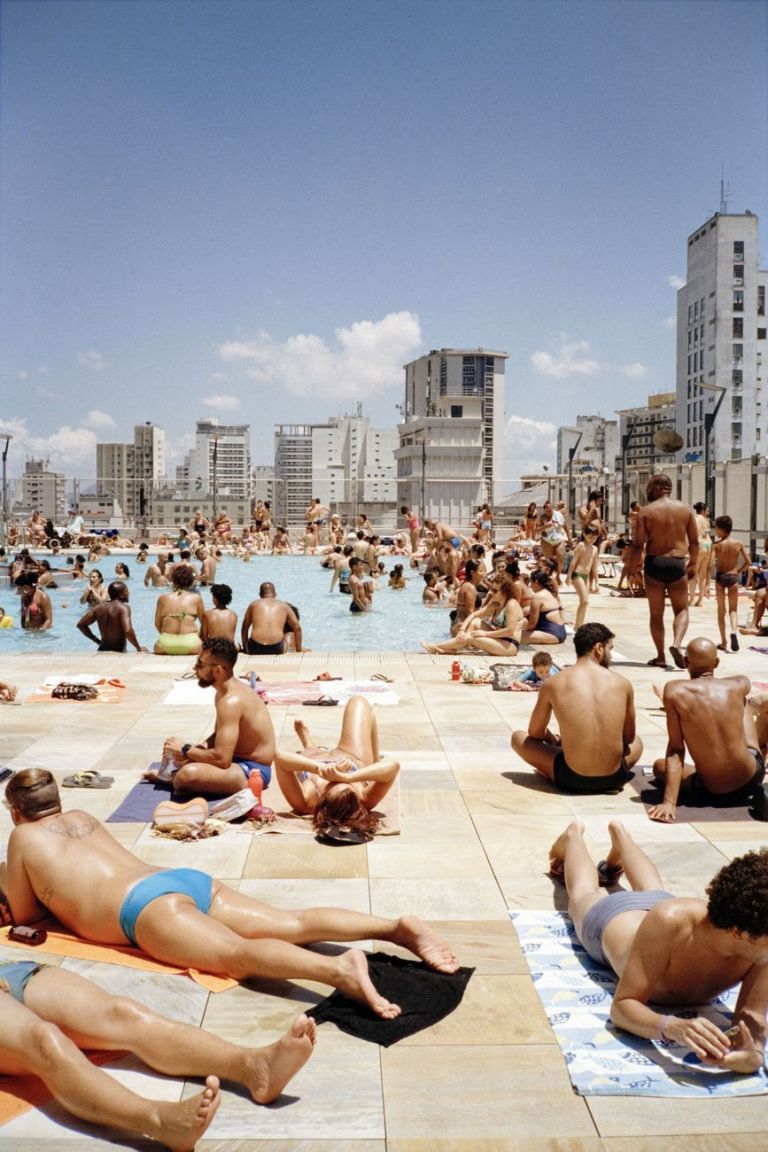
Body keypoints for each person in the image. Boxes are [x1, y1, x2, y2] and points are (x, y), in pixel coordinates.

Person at [4, 768, 459, 1020]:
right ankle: (395, 928)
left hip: (142, 910)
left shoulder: (23, 839)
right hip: (180, 880)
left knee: (238, 955)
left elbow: (26, 914)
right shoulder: (83, 814)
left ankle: (337, 969)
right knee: (292, 922)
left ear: (14, 810)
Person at [0, 961, 321, 1148]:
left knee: (123, 1013)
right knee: (45, 1041)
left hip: (9, 969)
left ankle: (254, 1067)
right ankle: (158, 1120)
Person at [547, 819, 768, 1073]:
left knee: (652, 889)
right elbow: (622, 1007)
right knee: (584, 894)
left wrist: (753, 1052)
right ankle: (573, 835)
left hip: (661, 910)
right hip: (612, 919)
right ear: (739, 933)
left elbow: (753, 1015)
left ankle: (621, 835)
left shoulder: (759, 947)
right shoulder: (672, 922)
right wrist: (673, 1027)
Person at [511, 622, 642, 793]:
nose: (610, 656)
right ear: (598, 648)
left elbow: (535, 733)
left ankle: (551, 769)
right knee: (638, 742)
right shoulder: (622, 683)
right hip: (615, 777)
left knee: (518, 738)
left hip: (571, 778)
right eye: (610, 649)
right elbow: (629, 738)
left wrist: (555, 741)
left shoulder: (553, 683)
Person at [647, 637, 766, 822]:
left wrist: (669, 802)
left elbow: (676, 749)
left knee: (658, 767)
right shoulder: (738, 684)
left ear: (686, 662)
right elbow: (744, 683)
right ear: (717, 663)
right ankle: (762, 751)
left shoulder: (674, 691)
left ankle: (712, 768)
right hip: (753, 775)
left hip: (716, 791)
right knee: (740, 700)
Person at [147, 637, 274, 798]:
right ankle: (176, 775)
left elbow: (222, 760)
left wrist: (186, 750)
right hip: (236, 759)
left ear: (219, 670)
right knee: (179, 752)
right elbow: (219, 734)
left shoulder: (231, 701)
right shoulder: (224, 692)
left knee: (188, 774)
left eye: (200, 664)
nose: (194, 668)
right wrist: (197, 748)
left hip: (252, 770)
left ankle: (172, 779)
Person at [275, 695, 400, 836]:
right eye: (345, 785)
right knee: (358, 702)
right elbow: (393, 767)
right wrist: (348, 777)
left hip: (313, 761)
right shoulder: (364, 800)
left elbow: (280, 759)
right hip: (351, 757)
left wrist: (320, 769)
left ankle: (308, 744)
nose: (335, 778)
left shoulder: (306, 802)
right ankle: (374, 758)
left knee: (310, 755)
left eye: (333, 784)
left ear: (323, 801)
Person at [628, 474, 698, 668]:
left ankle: (660, 657)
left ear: (659, 487)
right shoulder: (685, 509)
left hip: (654, 563)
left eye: (649, 487)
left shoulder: (645, 511)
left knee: (656, 613)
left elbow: (637, 544)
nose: (647, 490)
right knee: (682, 609)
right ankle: (676, 644)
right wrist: (693, 564)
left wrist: (632, 568)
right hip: (677, 563)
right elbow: (694, 541)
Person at [422, 577, 523, 657]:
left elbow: (509, 631)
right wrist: (462, 630)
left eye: (495, 590)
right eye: (491, 589)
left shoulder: (511, 605)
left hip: (509, 646)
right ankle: (456, 647)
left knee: (471, 637)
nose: (491, 592)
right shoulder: (496, 603)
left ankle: (436, 646)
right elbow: (475, 614)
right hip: (499, 639)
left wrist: (484, 634)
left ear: (505, 592)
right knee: (475, 622)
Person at [711, 515, 750, 653]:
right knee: (733, 610)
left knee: (721, 611)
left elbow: (710, 564)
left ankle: (724, 642)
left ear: (721, 529)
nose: (715, 530)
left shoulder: (716, 545)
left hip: (721, 577)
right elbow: (748, 562)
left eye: (716, 527)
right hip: (733, 577)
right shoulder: (738, 544)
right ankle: (733, 631)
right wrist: (738, 571)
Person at [77, 581, 147, 653]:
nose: (129, 593)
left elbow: (81, 624)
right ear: (121, 595)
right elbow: (128, 630)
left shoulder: (99, 608)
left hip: (102, 649)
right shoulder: (123, 608)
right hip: (118, 651)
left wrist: (96, 640)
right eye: (127, 591)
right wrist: (138, 648)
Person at [154, 564, 204, 656]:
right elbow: (204, 624)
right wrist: (199, 637)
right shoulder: (196, 598)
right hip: (191, 644)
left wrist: (167, 636)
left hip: (164, 644)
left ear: (173, 580)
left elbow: (157, 624)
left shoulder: (162, 598)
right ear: (190, 581)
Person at [241, 582, 302, 654]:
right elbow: (297, 627)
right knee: (286, 641)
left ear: (260, 594)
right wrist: (299, 649)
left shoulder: (253, 604)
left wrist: (245, 648)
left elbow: (244, 628)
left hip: (255, 648)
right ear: (275, 594)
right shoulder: (284, 605)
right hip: (277, 648)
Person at [520, 569, 567, 645]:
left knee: (514, 636)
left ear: (536, 582)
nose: (530, 586)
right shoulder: (550, 593)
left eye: (531, 583)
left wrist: (524, 630)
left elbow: (532, 624)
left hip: (552, 633)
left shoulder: (538, 597)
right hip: (561, 631)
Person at [568, 526, 599, 630]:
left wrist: (597, 582)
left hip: (586, 576)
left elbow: (594, 566)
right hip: (577, 574)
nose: (592, 539)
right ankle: (577, 625)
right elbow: (574, 561)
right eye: (590, 537)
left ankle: (580, 624)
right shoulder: (581, 545)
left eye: (595, 538)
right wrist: (568, 576)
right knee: (584, 601)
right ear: (584, 534)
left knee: (585, 603)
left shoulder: (595, 549)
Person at [539, 500, 571, 585]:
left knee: (561, 559)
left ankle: (558, 576)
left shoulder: (559, 515)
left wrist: (569, 538)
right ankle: (550, 577)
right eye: (547, 510)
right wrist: (544, 527)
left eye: (550, 510)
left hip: (558, 539)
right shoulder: (542, 518)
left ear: (552, 508)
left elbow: (566, 527)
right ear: (544, 510)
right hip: (547, 540)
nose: (549, 512)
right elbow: (536, 531)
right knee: (549, 561)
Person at [689, 501, 712, 606]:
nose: (708, 512)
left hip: (700, 546)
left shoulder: (695, 519)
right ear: (703, 510)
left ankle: (692, 599)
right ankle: (701, 599)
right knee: (702, 575)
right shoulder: (706, 521)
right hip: (708, 545)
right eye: (707, 510)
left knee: (693, 573)